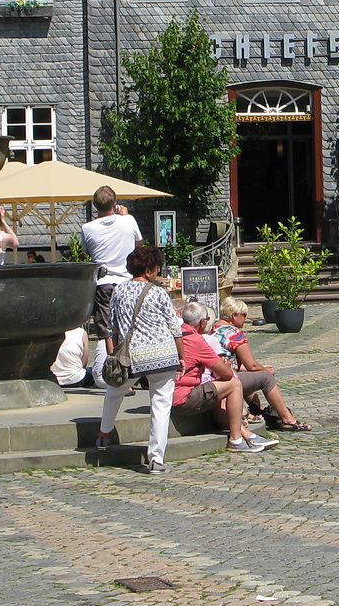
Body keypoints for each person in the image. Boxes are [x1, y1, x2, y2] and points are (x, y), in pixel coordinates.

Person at [94, 245, 183, 474]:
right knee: (161, 406)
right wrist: (181, 357)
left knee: (115, 391)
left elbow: (111, 327)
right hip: (163, 355)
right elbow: (175, 328)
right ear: (150, 270)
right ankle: (156, 458)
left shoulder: (119, 291)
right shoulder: (158, 293)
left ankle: (104, 434)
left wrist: (113, 354)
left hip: (131, 356)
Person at [174, 302, 278, 453]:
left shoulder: (177, 334)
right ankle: (236, 439)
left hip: (167, 392)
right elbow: (227, 373)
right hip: (183, 397)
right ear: (202, 322)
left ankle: (245, 433)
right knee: (233, 384)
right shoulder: (197, 341)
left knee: (216, 390)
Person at [195, 301, 311, 431]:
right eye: (244, 315)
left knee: (250, 377)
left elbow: (230, 363)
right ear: (234, 316)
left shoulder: (213, 329)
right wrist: (265, 370)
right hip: (222, 379)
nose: (245, 318)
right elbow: (252, 365)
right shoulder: (234, 334)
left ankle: (255, 409)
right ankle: (288, 419)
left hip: (211, 376)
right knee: (265, 377)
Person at [80, 186, 143, 381]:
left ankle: (118, 373)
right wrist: (125, 216)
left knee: (108, 329)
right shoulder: (128, 221)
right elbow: (138, 245)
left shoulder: (88, 228)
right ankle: (135, 369)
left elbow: (86, 251)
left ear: (95, 206)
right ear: (115, 204)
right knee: (131, 325)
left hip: (104, 282)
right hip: (127, 280)